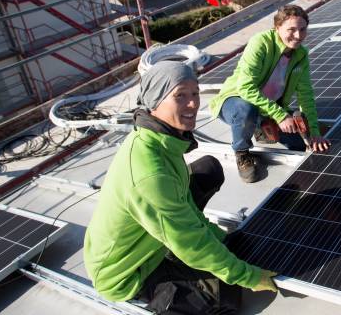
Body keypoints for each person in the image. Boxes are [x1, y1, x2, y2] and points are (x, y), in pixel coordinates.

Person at [84, 61, 278, 314]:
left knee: (208, 169)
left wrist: (221, 239)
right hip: (128, 271)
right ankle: (163, 298)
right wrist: (249, 276)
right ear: (155, 102)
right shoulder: (150, 174)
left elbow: (185, 203)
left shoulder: (161, 138)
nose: (193, 104)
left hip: (150, 234)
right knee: (223, 298)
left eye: (195, 93)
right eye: (180, 96)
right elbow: (190, 243)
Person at [209, 4, 331, 183]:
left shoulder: (301, 55)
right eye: (291, 29)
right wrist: (280, 115)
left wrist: (313, 131)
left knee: (306, 139)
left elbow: (306, 94)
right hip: (235, 101)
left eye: (303, 29)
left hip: (267, 108)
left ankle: (262, 127)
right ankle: (242, 153)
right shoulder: (261, 43)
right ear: (277, 28)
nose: (298, 36)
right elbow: (245, 88)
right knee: (245, 110)